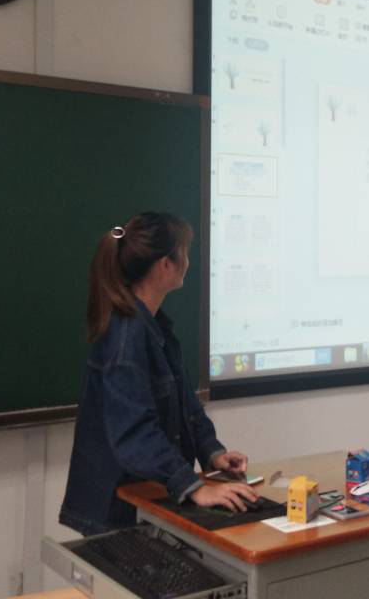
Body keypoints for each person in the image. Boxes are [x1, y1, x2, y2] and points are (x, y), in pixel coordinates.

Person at [60, 211, 258, 535]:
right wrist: (194, 488)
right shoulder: (125, 338)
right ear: (166, 265)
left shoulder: (155, 326)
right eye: (184, 253)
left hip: (148, 501)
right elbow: (135, 433)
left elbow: (185, 404)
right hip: (117, 512)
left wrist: (212, 452)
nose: (188, 262)